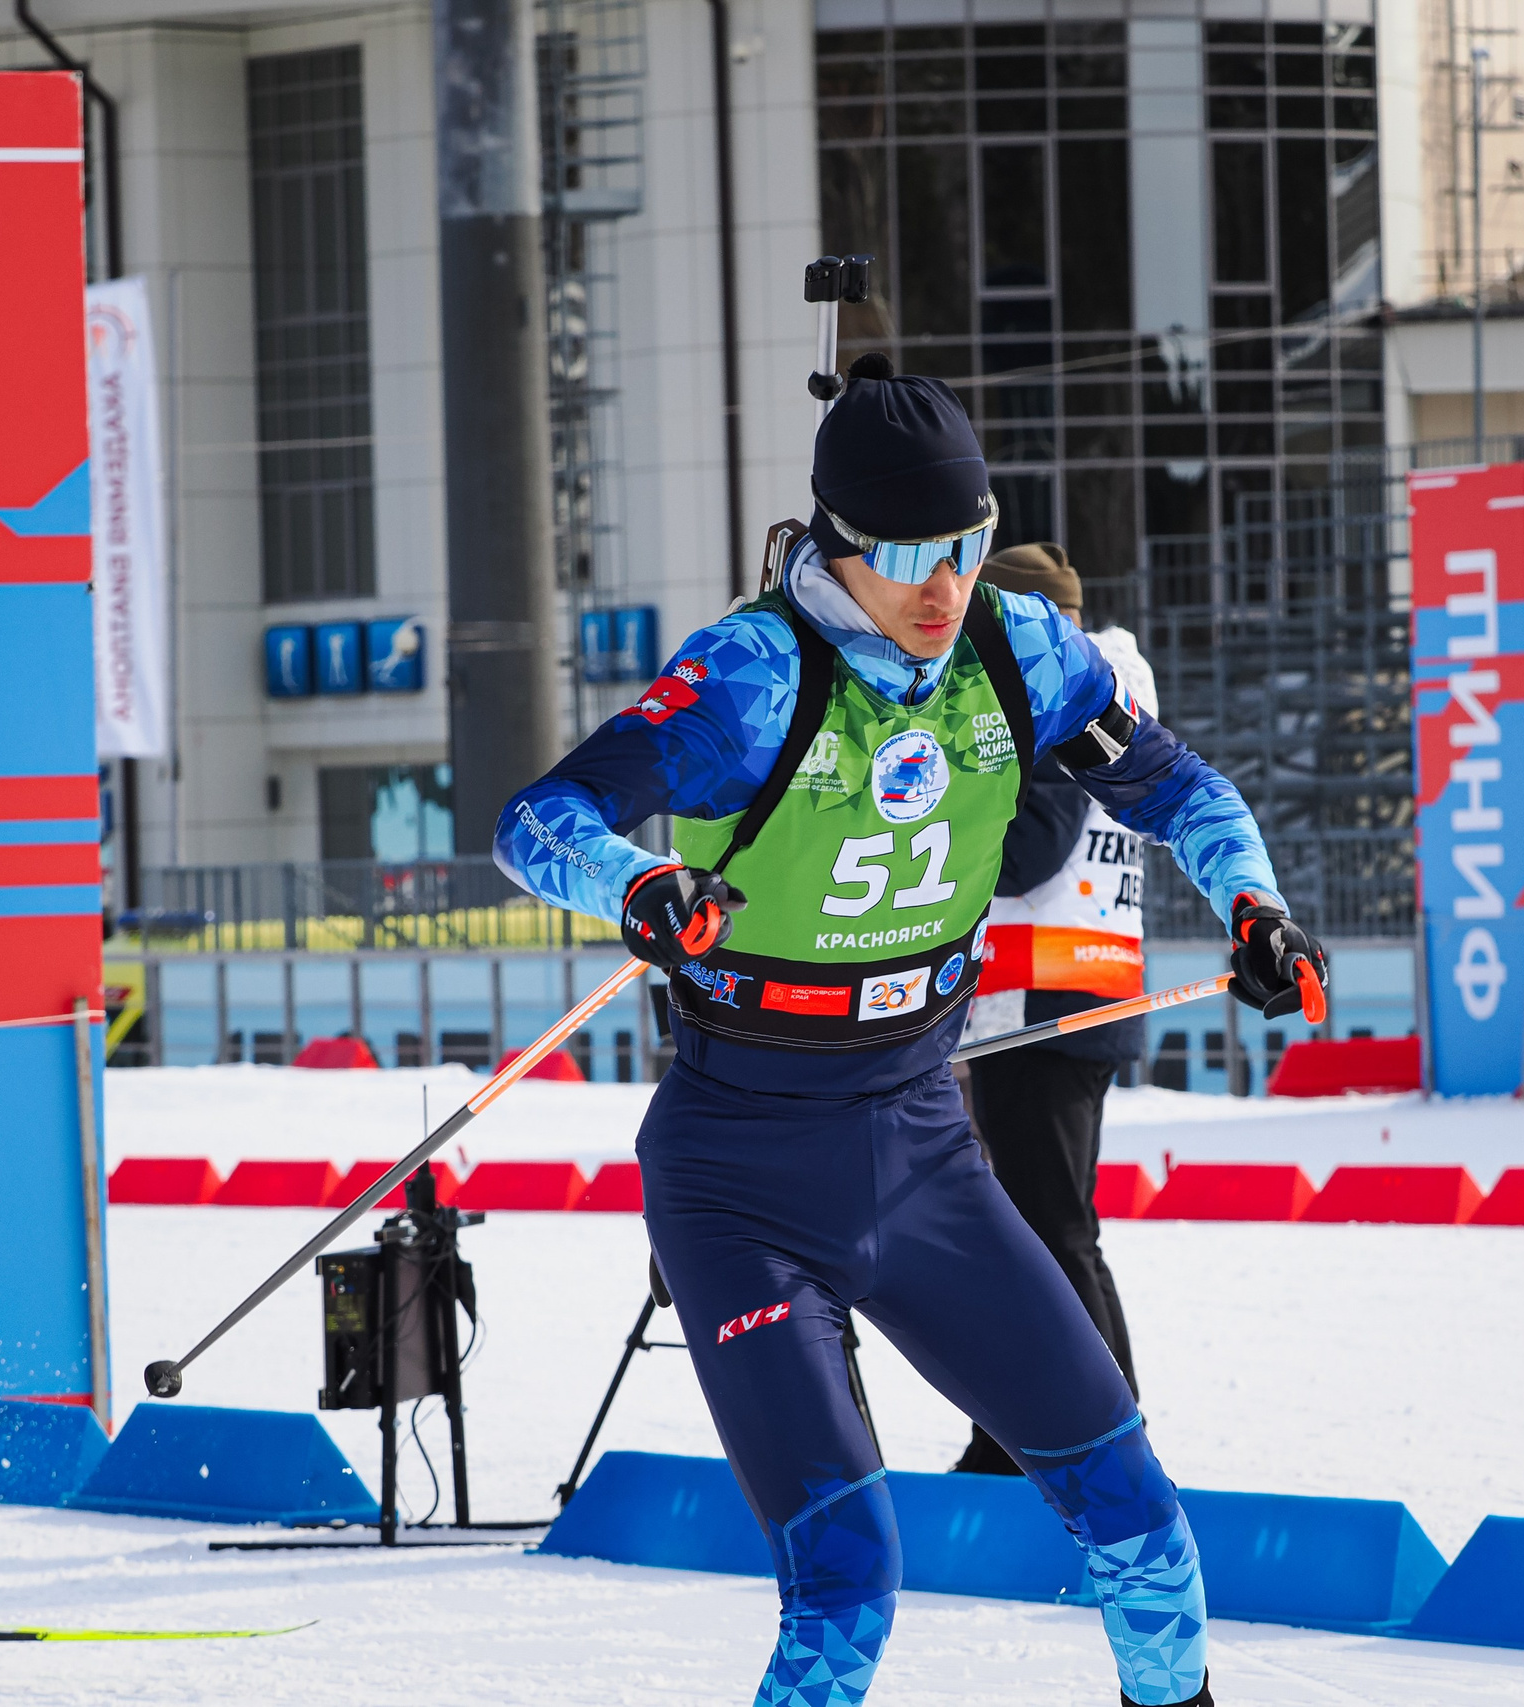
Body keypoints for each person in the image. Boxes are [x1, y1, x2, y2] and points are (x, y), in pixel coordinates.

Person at [497, 354, 1324, 1707]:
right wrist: (639, 887)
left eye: (969, 544)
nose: (943, 586)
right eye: (908, 555)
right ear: (836, 545)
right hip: (739, 1172)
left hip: (923, 1147)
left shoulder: (1019, 645)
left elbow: (1187, 792)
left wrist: (1257, 908)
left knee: (1137, 1514)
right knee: (847, 1584)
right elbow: (539, 821)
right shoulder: (752, 675)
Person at [950, 541, 1158, 1479]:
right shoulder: (1113, 697)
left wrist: (940, 839)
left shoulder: (1051, 697)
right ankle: (1038, 1431)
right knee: (1044, 1226)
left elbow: (1032, 846)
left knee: (1048, 1229)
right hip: (1080, 988)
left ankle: (1095, 1433)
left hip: (1041, 1003)